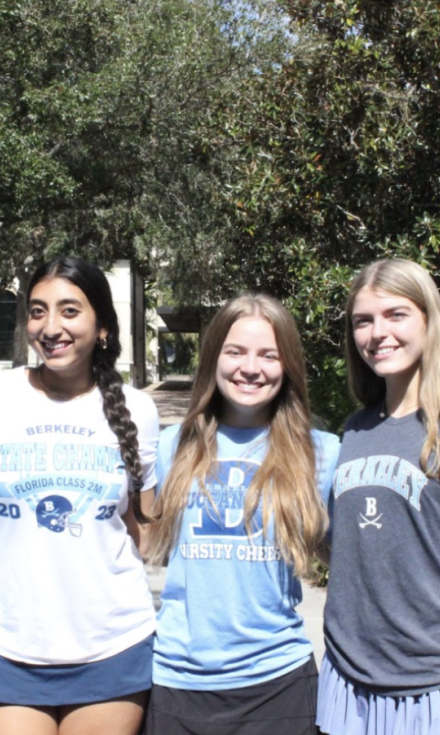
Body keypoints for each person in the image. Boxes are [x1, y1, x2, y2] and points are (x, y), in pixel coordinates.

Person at [0, 256, 160, 735]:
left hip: (112, 645)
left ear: (104, 328)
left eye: (69, 311)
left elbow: (146, 529)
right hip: (7, 645)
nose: (50, 327)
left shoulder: (138, 409)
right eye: (37, 311)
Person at [318, 259, 440, 735]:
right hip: (348, 680)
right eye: (363, 321)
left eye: (395, 315)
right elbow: (348, 546)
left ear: (430, 319)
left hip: (433, 683)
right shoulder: (356, 429)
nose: (377, 333)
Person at [143, 294, 338, 735]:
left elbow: (354, 556)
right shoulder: (172, 446)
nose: (250, 368)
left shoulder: (321, 452)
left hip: (279, 683)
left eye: (269, 355)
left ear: (287, 365)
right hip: (178, 681)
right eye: (235, 351)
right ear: (213, 358)